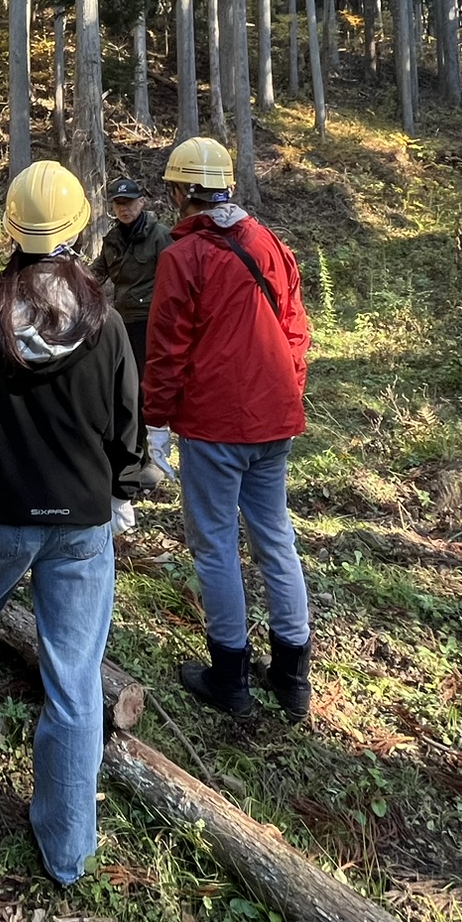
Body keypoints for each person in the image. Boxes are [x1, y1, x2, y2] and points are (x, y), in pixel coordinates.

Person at [0, 161, 145, 887]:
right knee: (74, 677)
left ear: (12, 229)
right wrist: (124, 488)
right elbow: (125, 419)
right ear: (78, 228)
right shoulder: (102, 317)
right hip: (81, 519)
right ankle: (68, 846)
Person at [144, 136, 314, 721]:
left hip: (216, 424)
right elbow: (295, 328)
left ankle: (231, 676)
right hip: (274, 419)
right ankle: (293, 678)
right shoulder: (267, 243)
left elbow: (167, 349)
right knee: (275, 538)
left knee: (215, 545)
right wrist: (286, 391)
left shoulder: (183, 257)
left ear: (181, 192)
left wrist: (155, 422)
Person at [91, 176, 176, 488]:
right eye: (118, 204)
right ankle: (123, 452)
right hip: (121, 322)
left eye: (129, 203)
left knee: (142, 390)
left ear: (142, 203)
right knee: (120, 388)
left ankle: (148, 458)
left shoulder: (160, 236)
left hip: (150, 323)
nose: (124, 209)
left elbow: (175, 276)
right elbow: (98, 271)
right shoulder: (112, 239)